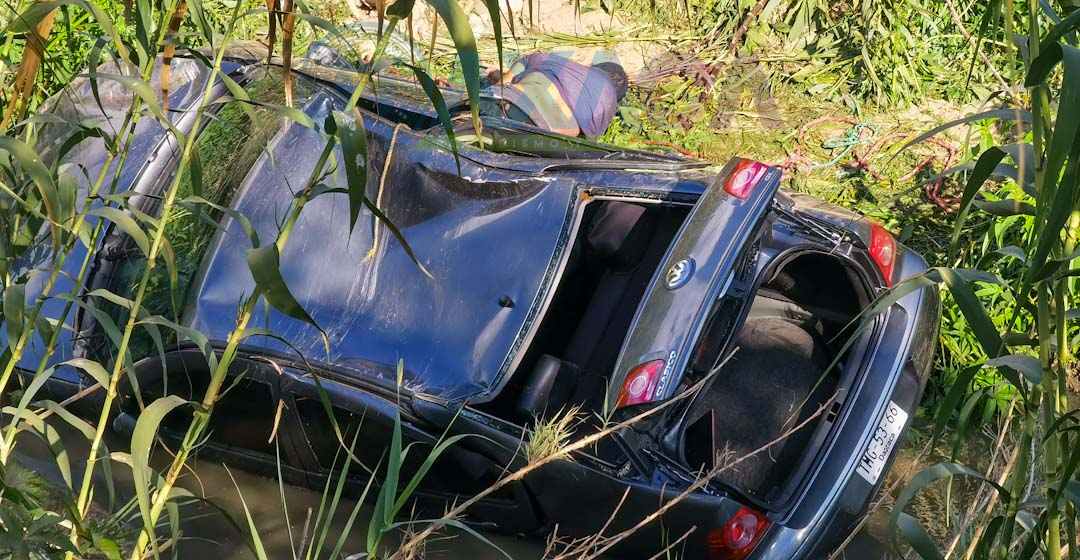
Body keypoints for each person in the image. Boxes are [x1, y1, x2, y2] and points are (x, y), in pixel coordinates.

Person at [484, 52, 628, 139]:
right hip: (544, 133)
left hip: (512, 99)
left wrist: (502, 77)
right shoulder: (608, 105)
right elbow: (590, 138)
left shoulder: (567, 67)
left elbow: (528, 60)